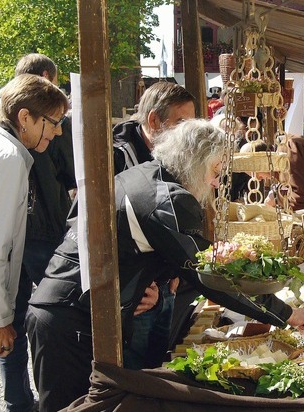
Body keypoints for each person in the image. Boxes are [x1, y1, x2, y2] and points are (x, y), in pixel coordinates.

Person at [26, 119, 304, 411]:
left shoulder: (145, 174)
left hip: (62, 311)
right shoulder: (170, 199)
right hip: (70, 321)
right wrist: (288, 313)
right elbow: (212, 278)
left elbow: (112, 238)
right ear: (195, 161)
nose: (216, 182)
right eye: (215, 171)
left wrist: (142, 285)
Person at [0, 53, 76, 412]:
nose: (58, 132)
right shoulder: (8, 158)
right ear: (24, 117)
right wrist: (0, 320)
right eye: (54, 123)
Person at [112, 81, 196, 370]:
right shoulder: (118, 157)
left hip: (164, 289)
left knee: (159, 367)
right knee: (140, 380)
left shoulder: (173, 157)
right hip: (139, 300)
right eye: (181, 122)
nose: (187, 131)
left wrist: (173, 271)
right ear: (153, 120)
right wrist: (129, 290)